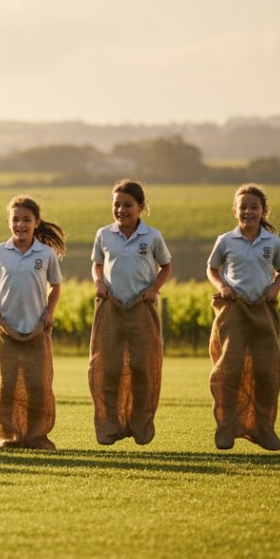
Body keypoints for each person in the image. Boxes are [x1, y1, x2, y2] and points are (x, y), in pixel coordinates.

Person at [206, 183, 280, 451]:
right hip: (235, 309)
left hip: (263, 310)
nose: (248, 211)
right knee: (230, 370)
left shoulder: (273, 242)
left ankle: (263, 429)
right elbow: (212, 269)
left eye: (254, 207)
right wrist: (222, 287)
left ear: (264, 211)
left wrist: (275, 289)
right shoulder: (226, 241)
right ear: (234, 211)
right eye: (243, 207)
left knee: (265, 370)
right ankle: (226, 428)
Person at [89, 180, 172, 445]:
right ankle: (109, 424)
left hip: (141, 308)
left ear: (141, 207)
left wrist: (154, 289)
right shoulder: (104, 234)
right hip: (111, 306)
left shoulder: (152, 237)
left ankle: (140, 424)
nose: (121, 209)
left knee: (142, 367)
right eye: (117, 204)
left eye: (127, 205)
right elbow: (97, 265)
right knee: (109, 367)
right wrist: (99, 283)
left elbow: (166, 267)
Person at [0, 196, 65, 450]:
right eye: (16, 219)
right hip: (6, 331)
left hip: (37, 330)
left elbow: (56, 286)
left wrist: (49, 312)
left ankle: (35, 436)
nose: (21, 224)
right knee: (5, 386)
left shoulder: (46, 253)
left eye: (26, 220)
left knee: (38, 385)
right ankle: (6, 435)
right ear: (9, 222)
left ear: (36, 222)